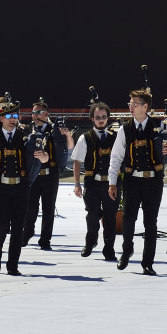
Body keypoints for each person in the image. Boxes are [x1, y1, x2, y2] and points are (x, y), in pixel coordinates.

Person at [108, 89, 167, 275]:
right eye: (130, 103)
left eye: (135, 103)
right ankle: (127, 250)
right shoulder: (125, 129)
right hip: (132, 181)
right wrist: (112, 182)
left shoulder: (160, 125)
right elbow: (115, 157)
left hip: (154, 182)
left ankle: (148, 262)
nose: (131, 107)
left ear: (145, 107)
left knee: (150, 223)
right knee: (129, 218)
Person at [0, 98, 49, 276]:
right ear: (0, 118)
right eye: (8, 115)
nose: (12, 119)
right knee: (0, 224)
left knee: (18, 227)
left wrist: (43, 157)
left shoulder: (26, 137)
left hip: (21, 187)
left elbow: (44, 158)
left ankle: (13, 264)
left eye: (15, 115)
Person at [70, 101, 118, 261]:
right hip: (92, 184)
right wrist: (77, 184)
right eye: (98, 117)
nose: (101, 120)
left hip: (111, 184)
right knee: (92, 216)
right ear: (92, 118)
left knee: (110, 217)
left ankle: (109, 249)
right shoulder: (85, 138)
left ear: (108, 118)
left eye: (104, 117)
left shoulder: (115, 138)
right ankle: (90, 243)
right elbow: (77, 162)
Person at [22, 99, 71, 250]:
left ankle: (45, 240)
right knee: (30, 207)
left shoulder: (55, 130)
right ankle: (27, 232)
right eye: (33, 112)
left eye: (38, 112)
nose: (34, 116)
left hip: (50, 174)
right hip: (32, 175)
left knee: (48, 208)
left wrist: (68, 135)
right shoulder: (26, 130)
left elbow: (68, 149)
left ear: (46, 114)